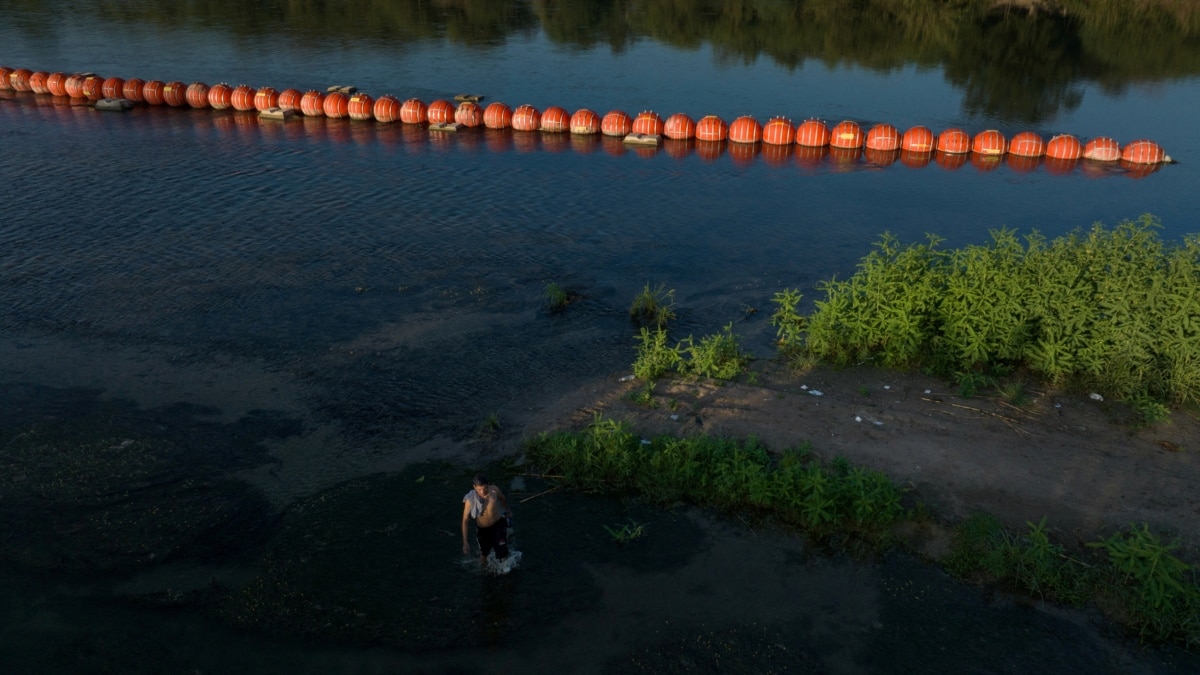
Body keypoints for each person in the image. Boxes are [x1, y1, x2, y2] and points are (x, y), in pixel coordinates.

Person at [462, 473, 511, 565]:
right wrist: (465, 541)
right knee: (484, 553)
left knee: (503, 550)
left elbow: (502, 498)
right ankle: (484, 570)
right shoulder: (470, 500)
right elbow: (465, 520)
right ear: (474, 487)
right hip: (483, 529)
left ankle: (505, 570)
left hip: (498, 524)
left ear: (488, 485)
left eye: (484, 488)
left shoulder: (494, 490)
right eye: (479, 489)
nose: (482, 492)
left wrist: (507, 511)